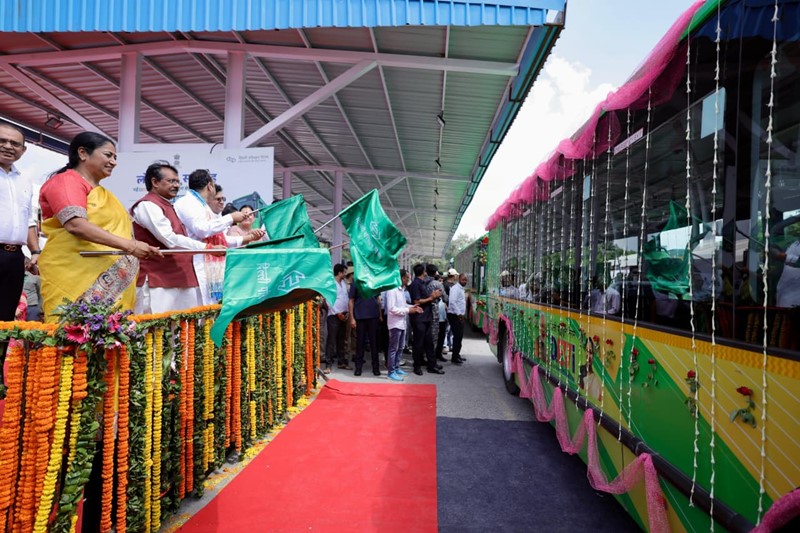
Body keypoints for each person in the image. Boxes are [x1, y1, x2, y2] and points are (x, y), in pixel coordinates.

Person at [38, 131, 161, 321]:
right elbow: (76, 225)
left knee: (111, 334)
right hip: (73, 274)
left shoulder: (104, 193)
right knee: (73, 332)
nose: (113, 162)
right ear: (83, 153)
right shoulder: (66, 181)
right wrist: (131, 246)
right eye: (108, 155)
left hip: (114, 282)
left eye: (115, 157)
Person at [130, 161, 215, 314]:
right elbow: (169, 239)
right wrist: (206, 248)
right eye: (171, 181)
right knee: (156, 326)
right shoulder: (147, 205)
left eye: (177, 182)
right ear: (155, 182)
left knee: (186, 326)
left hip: (183, 277)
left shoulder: (169, 205)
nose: (176, 185)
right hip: (158, 280)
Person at [173, 169, 248, 304]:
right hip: (195, 262)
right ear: (210, 186)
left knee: (210, 305)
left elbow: (220, 239)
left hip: (207, 262)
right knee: (199, 307)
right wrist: (230, 218)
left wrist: (247, 238)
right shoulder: (188, 203)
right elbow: (201, 229)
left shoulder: (201, 205)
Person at [0, 121, 39, 331]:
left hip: (15, 257)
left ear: (23, 150)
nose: (8, 146)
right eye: (2, 141)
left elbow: (28, 220)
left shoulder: (24, 180)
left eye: (15, 143)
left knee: (6, 318)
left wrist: (35, 251)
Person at [385, 269, 422, 381]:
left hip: (402, 322)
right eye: (407, 278)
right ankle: (391, 371)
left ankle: (396, 368)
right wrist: (408, 310)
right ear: (402, 278)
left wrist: (412, 307)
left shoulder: (401, 290)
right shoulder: (392, 290)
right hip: (395, 323)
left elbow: (403, 305)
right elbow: (392, 308)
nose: (408, 280)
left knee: (400, 347)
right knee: (393, 348)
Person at [408, 263, 445, 375]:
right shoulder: (416, 284)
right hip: (419, 318)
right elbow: (417, 301)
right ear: (423, 272)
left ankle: (432, 365)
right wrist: (431, 297)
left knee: (429, 343)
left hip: (427, 317)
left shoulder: (423, 283)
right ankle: (417, 366)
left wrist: (432, 296)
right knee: (418, 343)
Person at [349, 277, 383, 376]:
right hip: (360, 317)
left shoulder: (374, 281)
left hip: (373, 316)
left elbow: (378, 300)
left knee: (374, 343)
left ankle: (375, 367)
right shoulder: (356, 283)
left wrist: (380, 314)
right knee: (360, 343)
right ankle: (358, 367)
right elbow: (351, 301)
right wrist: (352, 318)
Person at [323, 263, 350, 373]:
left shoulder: (343, 283)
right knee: (331, 340)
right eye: (344, 272)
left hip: (344, 314)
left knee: (341, 340)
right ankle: (328, 364)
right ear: (339, 272)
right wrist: (337, 313)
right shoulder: (331, 283)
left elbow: (346, 298)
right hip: (334, 315)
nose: (345, 274)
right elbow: (328, 300)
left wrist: (347, 312)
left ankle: (341, 362)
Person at [447, 272, 468, 364]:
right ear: (459, 279)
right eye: (463, 280)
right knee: (457, 336)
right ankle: (454, 357)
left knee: (459, 336)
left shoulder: (461, 288)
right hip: (454, 315)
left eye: (466, 280)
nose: (465, 281)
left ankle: (457, 354)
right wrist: (459, 314)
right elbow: (452, 302)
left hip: (459, 315)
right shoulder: (456, 288)